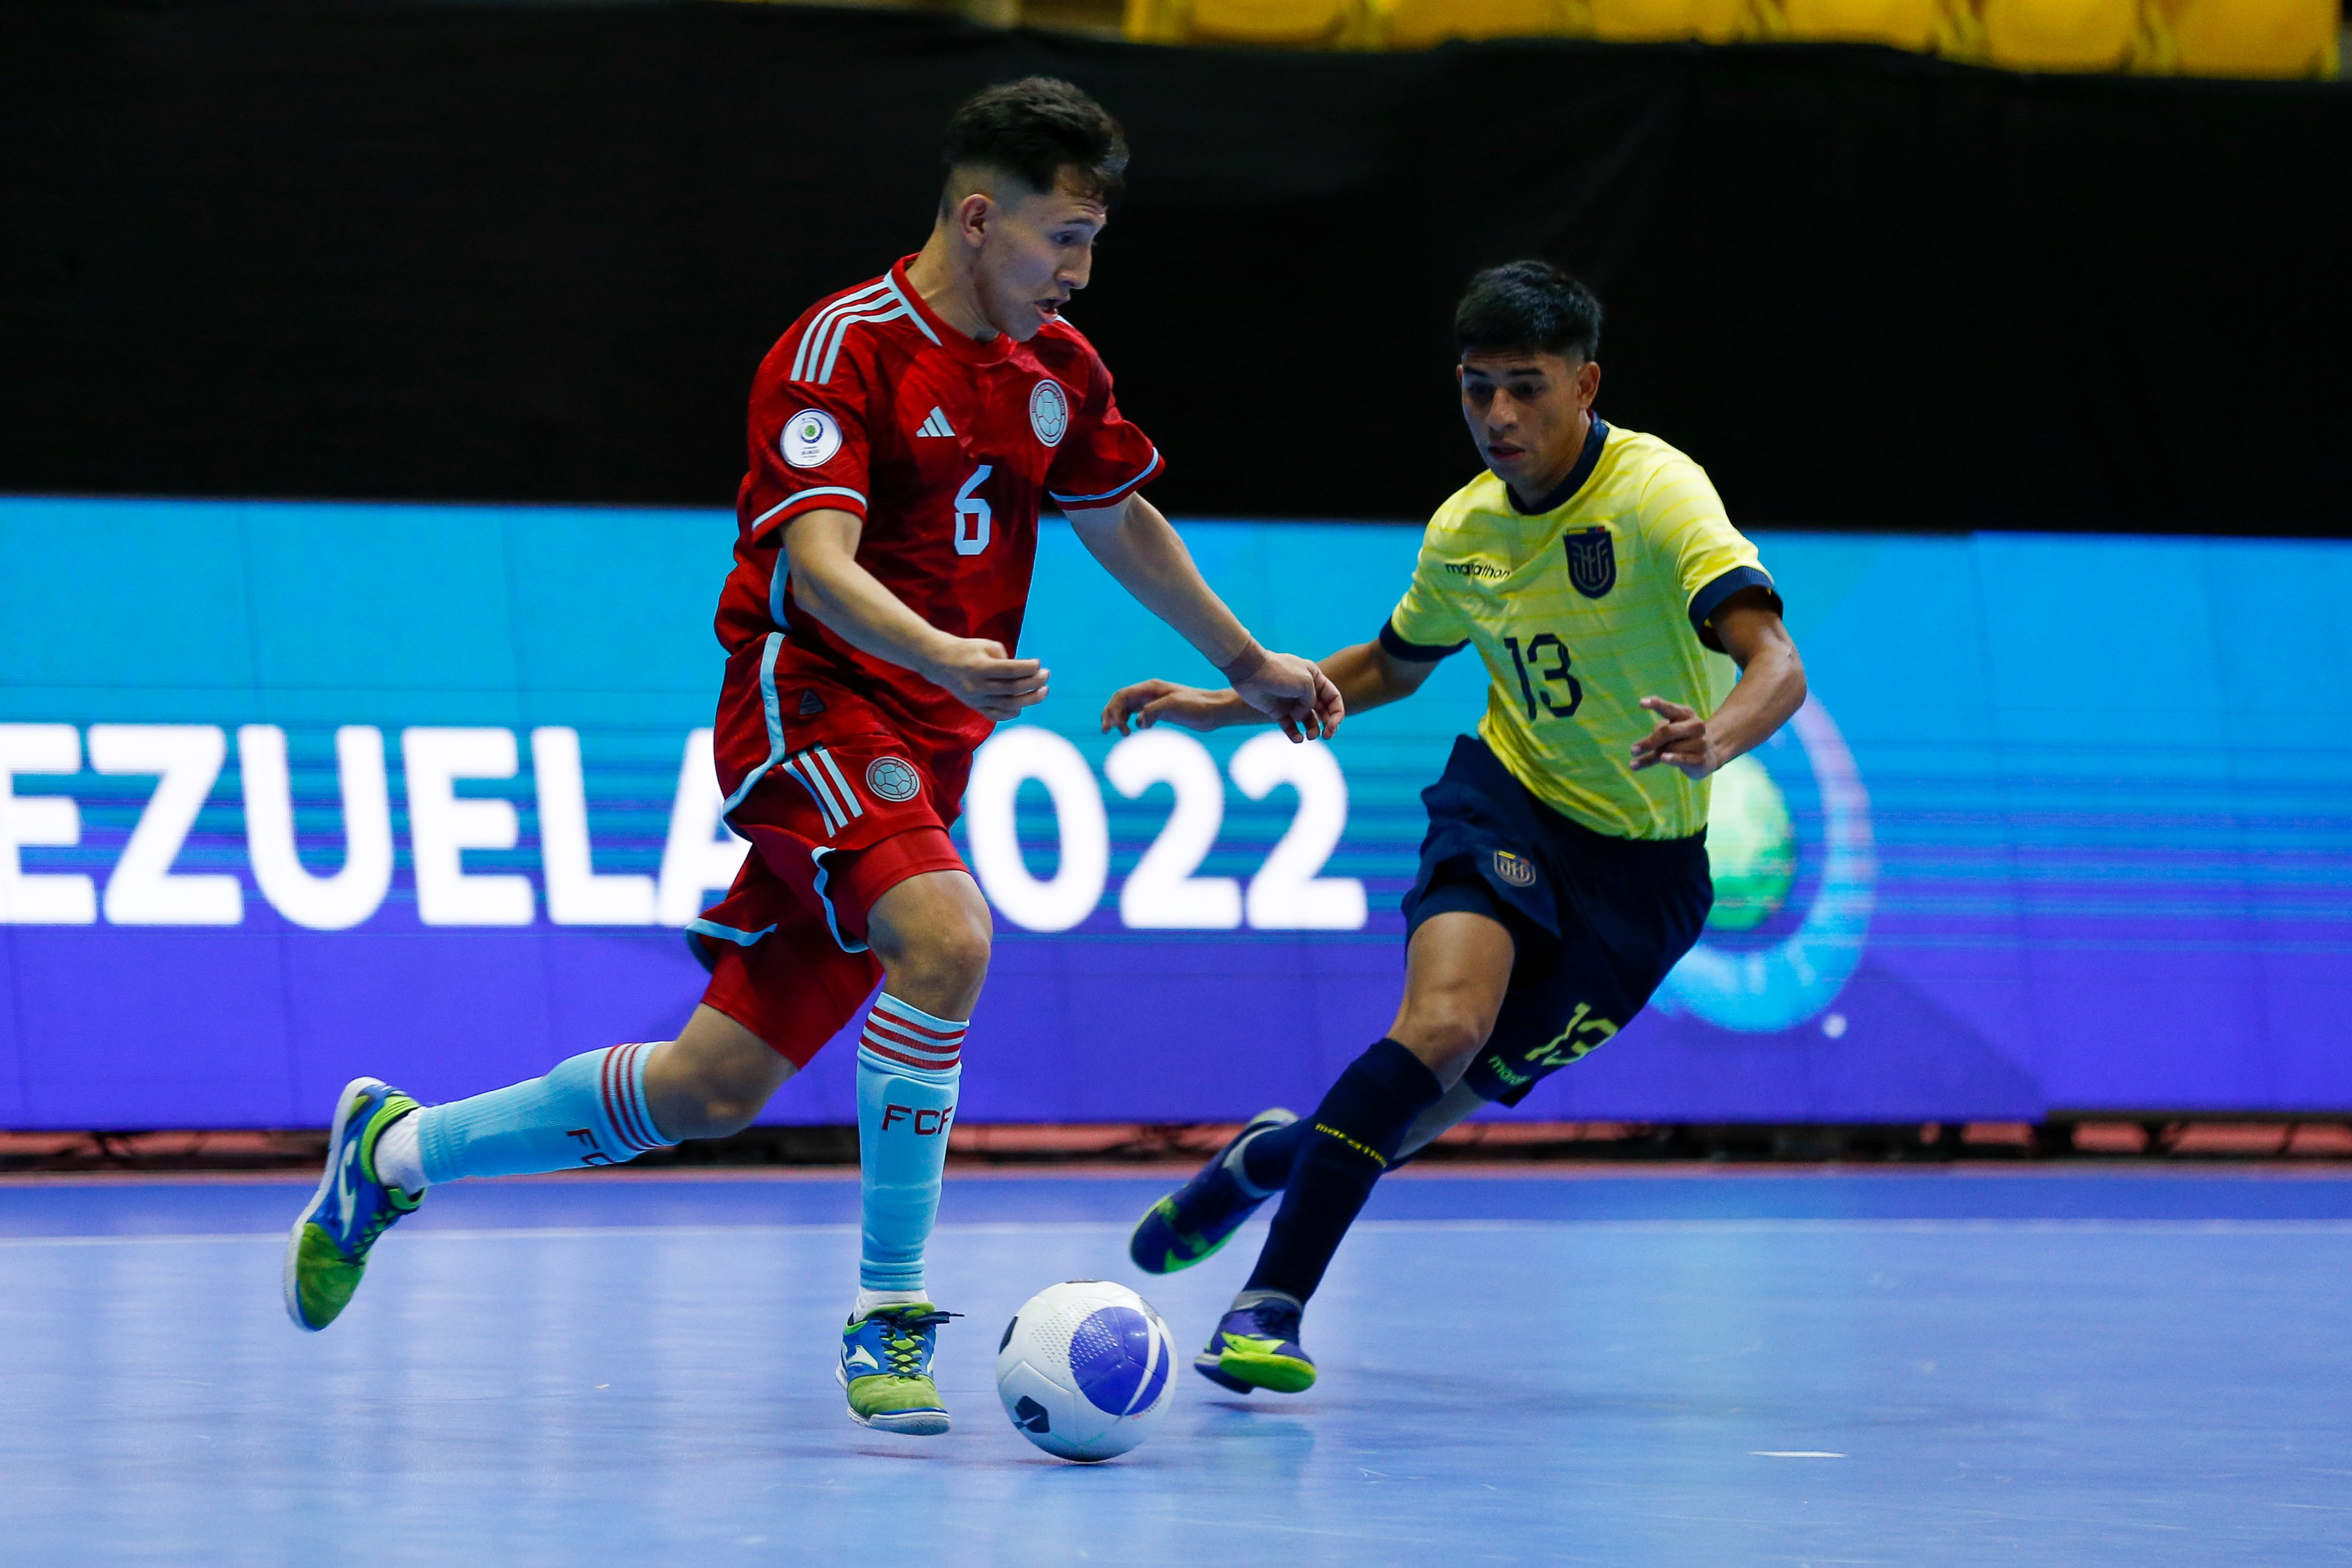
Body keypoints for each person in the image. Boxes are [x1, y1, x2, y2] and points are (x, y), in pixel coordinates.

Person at [282, 78, 1342, 1439]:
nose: (1080, 272)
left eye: (1091, 242)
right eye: (1061, 238)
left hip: (932, 747)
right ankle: (889, 1310)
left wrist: (1246, 659)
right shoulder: (839, 350)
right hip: (815, 703)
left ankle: (396, 1152)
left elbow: (1118, 515)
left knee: (709, 1088)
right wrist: (945, 653)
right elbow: (819, 568)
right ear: (977, 219)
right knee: (950, 940)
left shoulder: (1058, 371)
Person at [1104, 260, 1806, 1396]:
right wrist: (1221, 706)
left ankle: (1261, 1162)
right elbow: (1390, 664)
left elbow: (1776, 662)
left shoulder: (1659, 495)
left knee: (1409, 1122)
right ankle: (1265, 1312)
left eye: (1525, 389)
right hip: (1507, 804)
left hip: (1646, 884)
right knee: (1439, 1029)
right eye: (1477, 390)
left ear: (1587, 384)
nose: (1498, 417)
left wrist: (1719, 736)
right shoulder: (1466, 530)